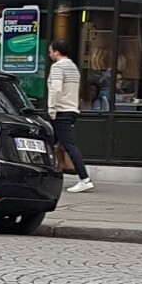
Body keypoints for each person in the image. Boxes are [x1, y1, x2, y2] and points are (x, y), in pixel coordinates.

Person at [48, 40, 92, 193]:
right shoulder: (73, 67)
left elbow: (56, 89)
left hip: (61, 110)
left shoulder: (57, 67)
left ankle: (84, 178)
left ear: (57, 52)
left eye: (50, 51)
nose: (50, 54)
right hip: (71, 109)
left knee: (69, 145)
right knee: (48, 144)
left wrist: (52, 109)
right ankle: (44, 175)